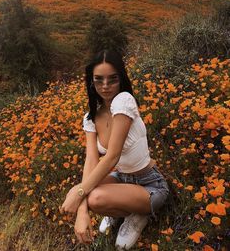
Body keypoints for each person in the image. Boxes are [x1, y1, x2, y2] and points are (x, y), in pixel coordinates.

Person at [60, 50, 169, 250]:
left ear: (121, 78)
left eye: (112, 79)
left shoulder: (124, 100)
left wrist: (80, 194)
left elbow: (112, 157)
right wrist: (82, 211)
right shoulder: (90, 117)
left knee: (91, 194)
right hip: (122, 178)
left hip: (150, 184)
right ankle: (122, 211)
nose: (106, 86)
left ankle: (139, 216)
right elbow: (91, 160)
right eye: (99, 79)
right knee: (83, 192)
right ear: (91, 81)